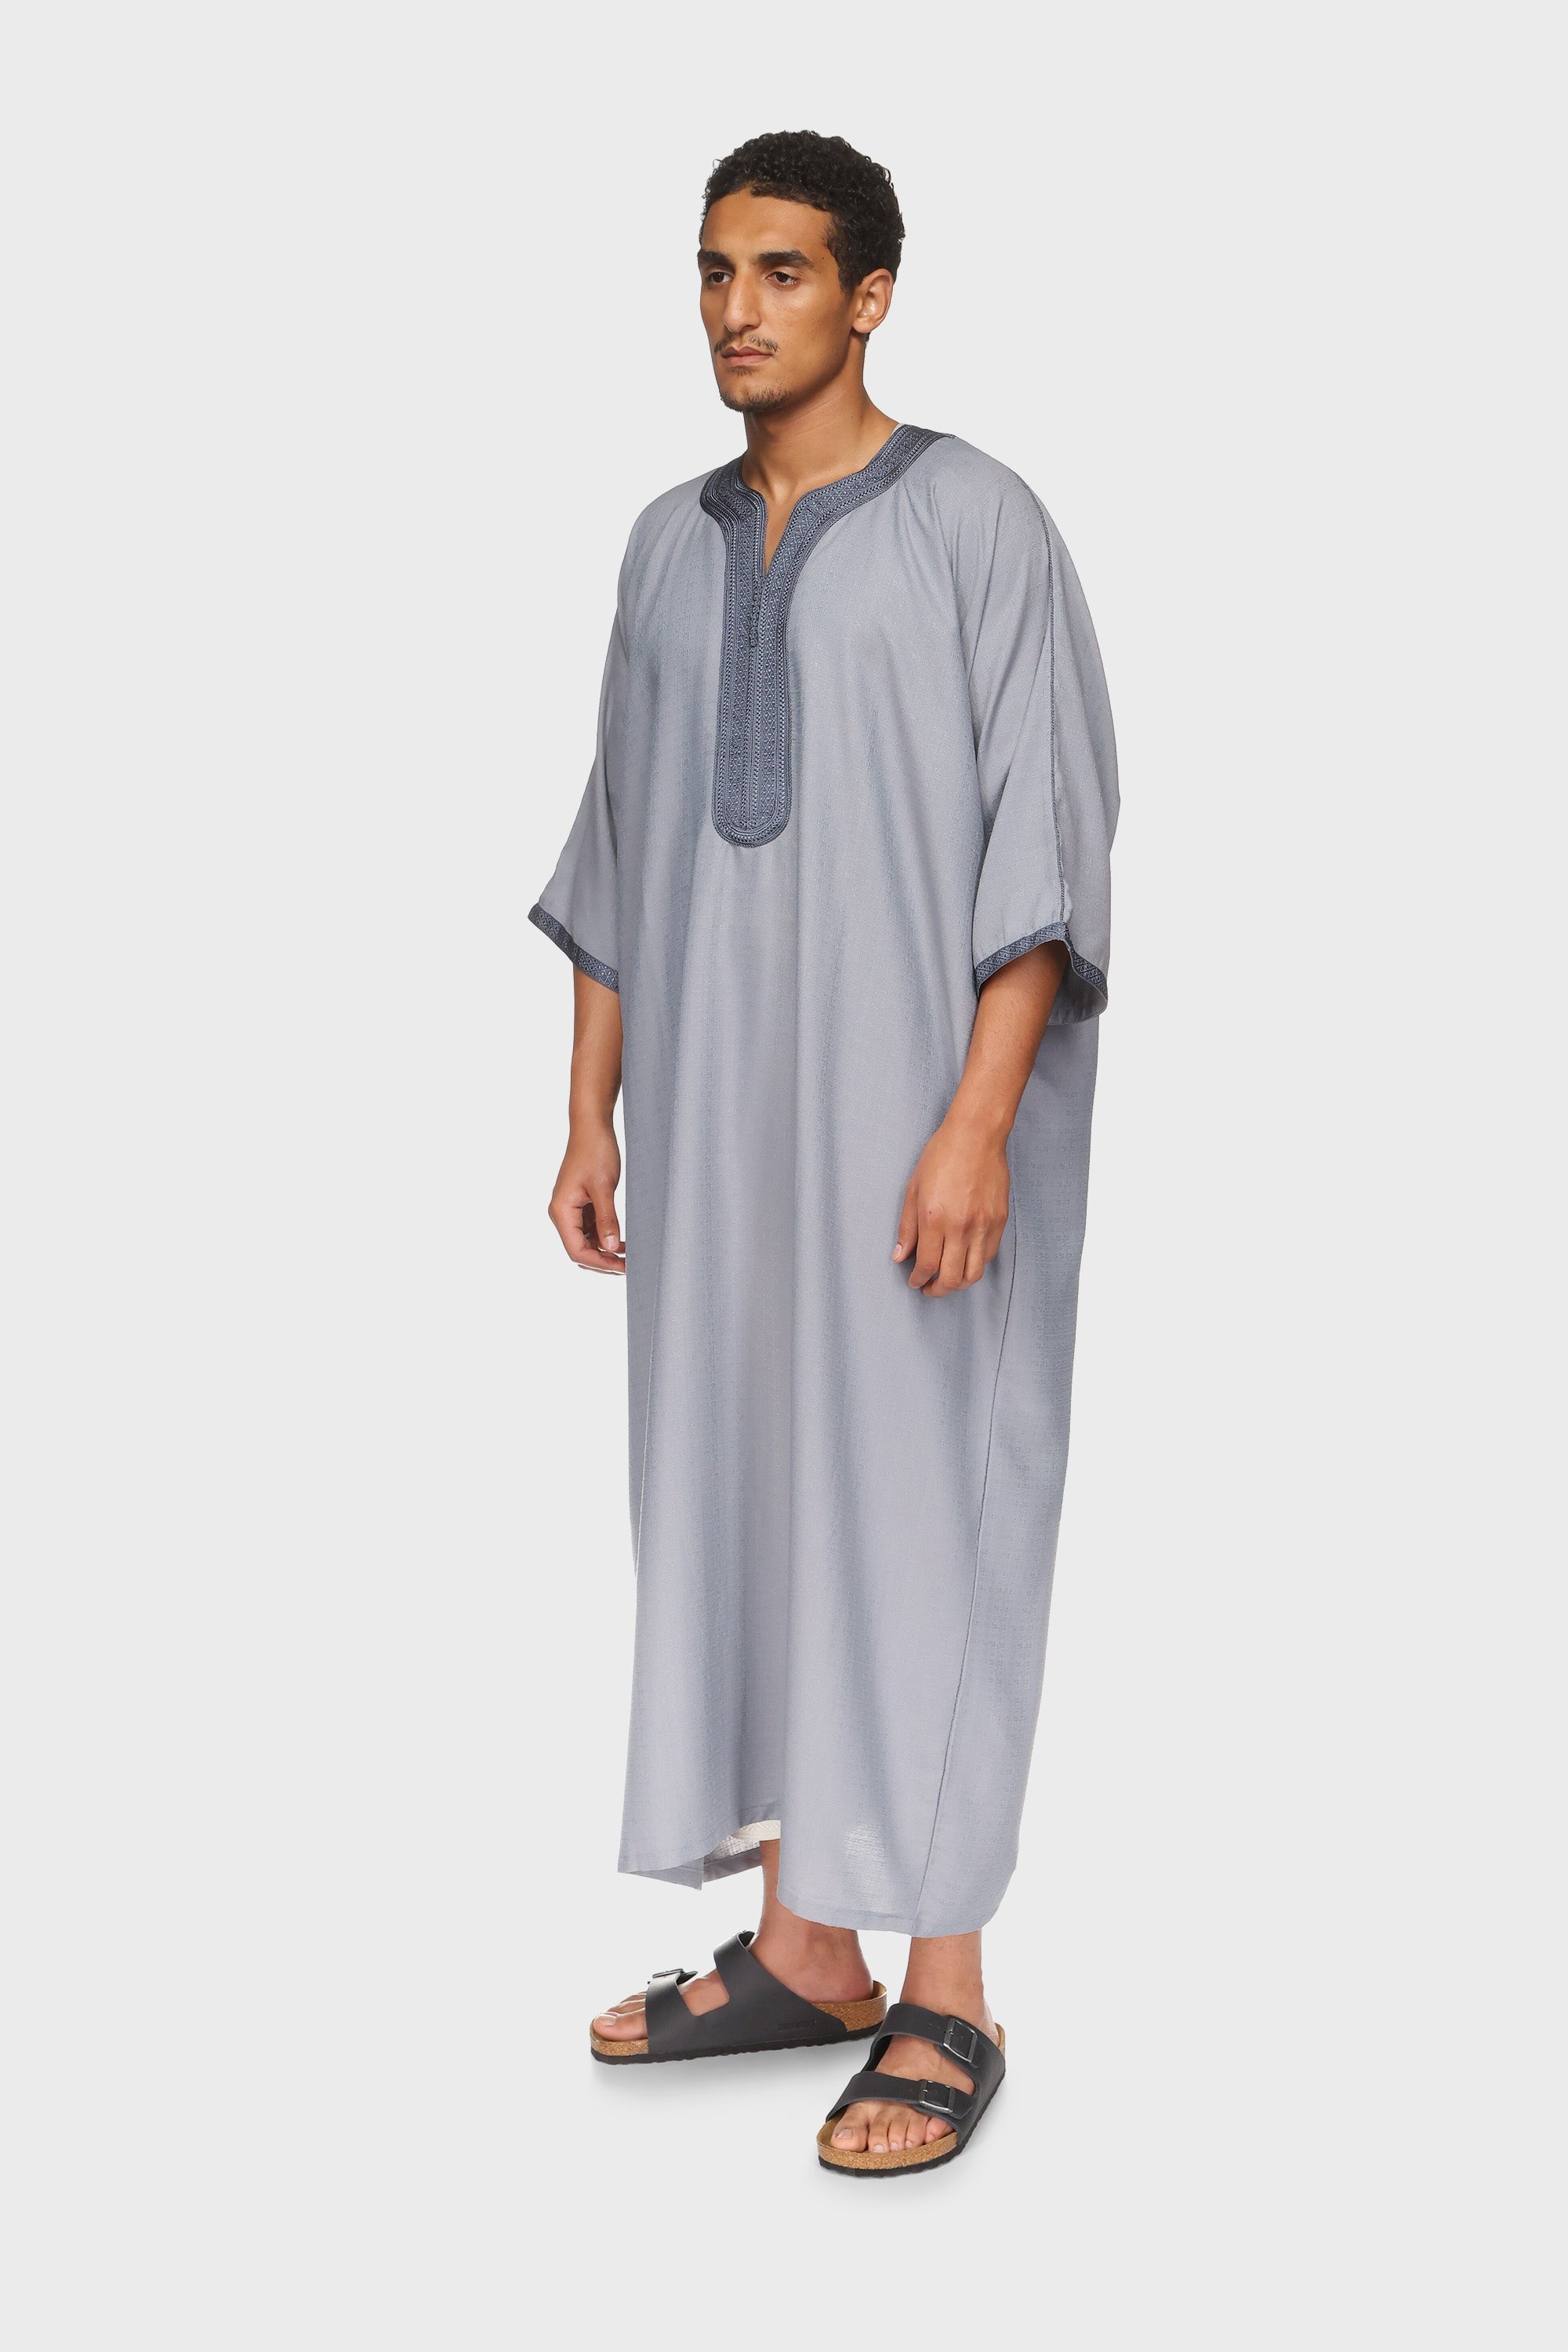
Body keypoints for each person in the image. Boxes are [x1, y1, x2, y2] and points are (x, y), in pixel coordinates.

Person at [531, 129, 1117, 2176]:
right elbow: (620, 840)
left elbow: (1046, 839)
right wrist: (589, 1107)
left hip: (916, 1142)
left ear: (869, 295)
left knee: (919, 1517)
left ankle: (947, 1992)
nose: (737, 309)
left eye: (781, 271)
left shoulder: (976, 523)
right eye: (714, 271)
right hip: (715, 1138)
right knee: (752, 1501)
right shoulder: (665, 547)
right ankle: (807, 1952)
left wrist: (977, 1124)